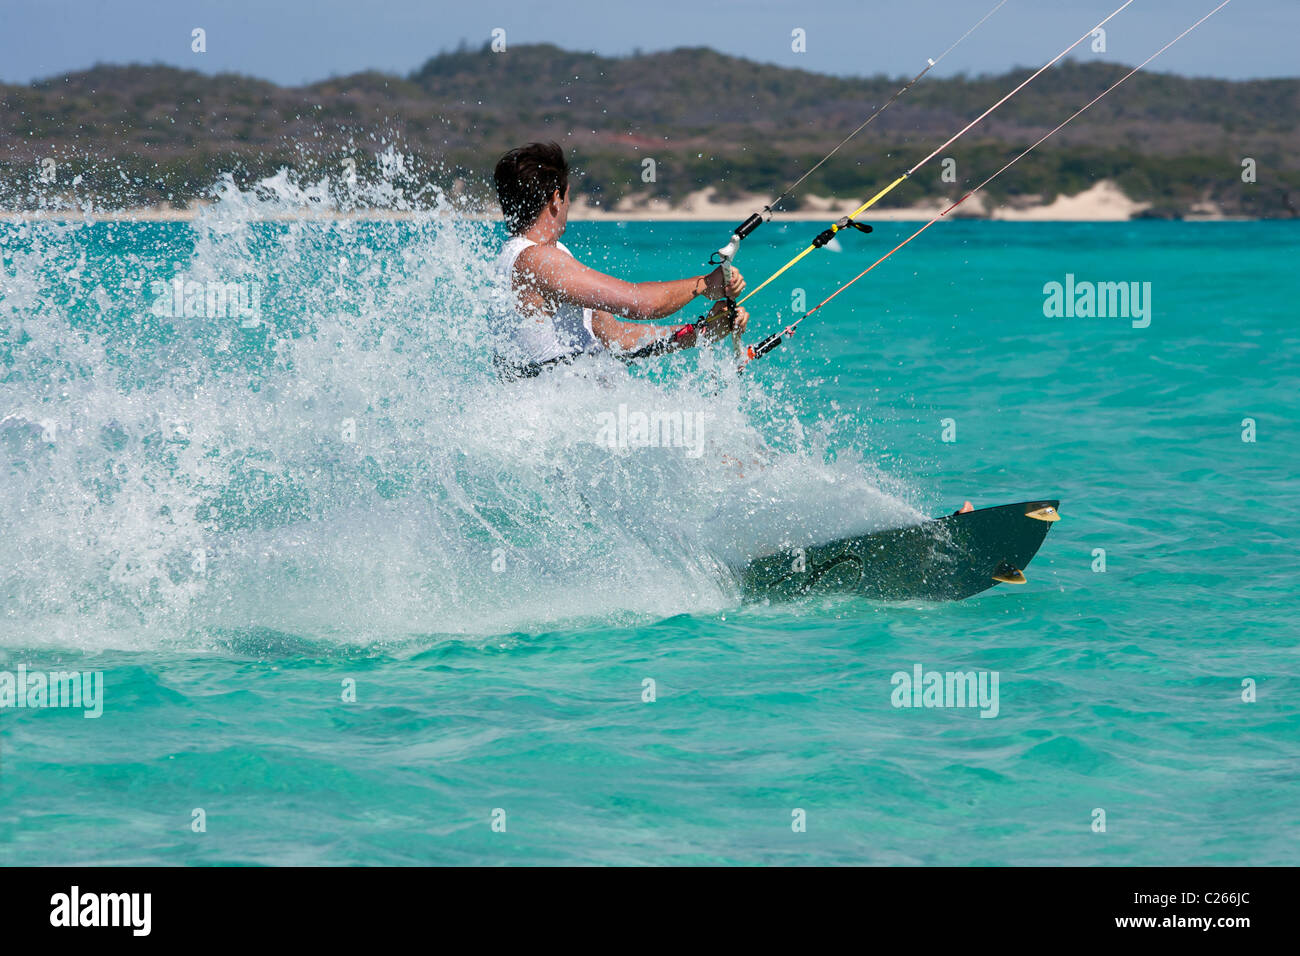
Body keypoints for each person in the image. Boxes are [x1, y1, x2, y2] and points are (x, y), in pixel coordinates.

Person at [489, 141, 749, 379]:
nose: (568, 204)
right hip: (552, 420)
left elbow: (616, 337)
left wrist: (701, 331)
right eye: (567, 195)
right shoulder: (537, 260)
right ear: (556, 199)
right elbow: (640, 304)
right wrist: (703, 284)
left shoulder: (545, 256)